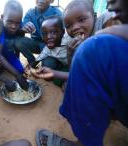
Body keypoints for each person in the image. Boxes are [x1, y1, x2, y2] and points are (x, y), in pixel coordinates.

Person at [32, 0, 128, 145]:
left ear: (94, 16)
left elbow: (110, 16)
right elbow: (77, 74)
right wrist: (67, 59)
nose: (75, 28)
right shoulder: (74, 42)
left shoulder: (105, 26)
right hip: (113, 89)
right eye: (69, 26)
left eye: (82, 20)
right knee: (71, 85)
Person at [0, 0, 29, 90]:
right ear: (2, 17)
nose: (14, 26)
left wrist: (18, 72)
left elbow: (18, 45)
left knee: (21, 70)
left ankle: (8, 64)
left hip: (9, 52)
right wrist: (16, 75)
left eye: (17, 23)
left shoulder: (20, 25)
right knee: (17, 72)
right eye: (10, 22)